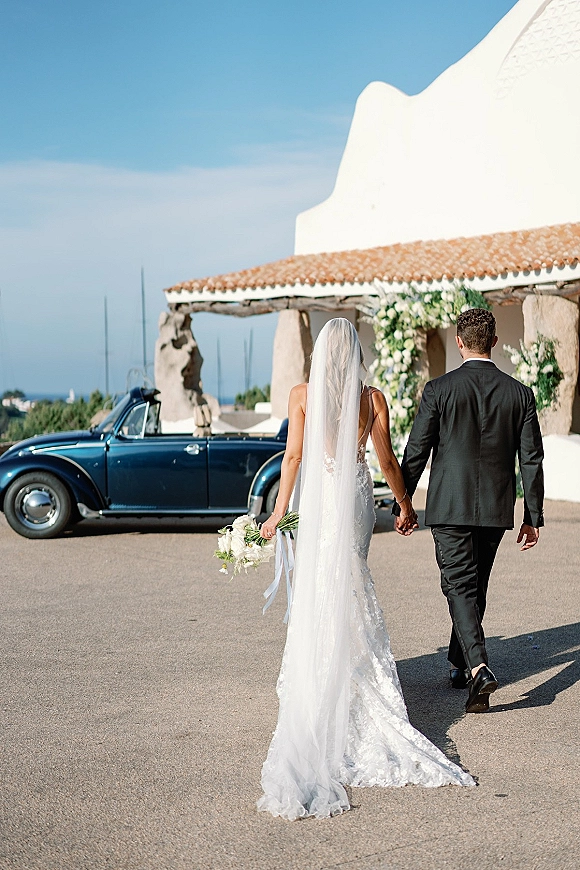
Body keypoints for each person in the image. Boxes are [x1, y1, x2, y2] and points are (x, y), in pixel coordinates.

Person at [257, 318, 474, 822]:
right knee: (352, 580)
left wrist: (276, 512)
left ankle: (320, 674)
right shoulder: (371, 397)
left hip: (319, 499)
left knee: (321, 583)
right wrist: (404, 504)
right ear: (355, 352)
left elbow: (292, 457)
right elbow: (387, 461)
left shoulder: (302, 394)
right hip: (353, 499)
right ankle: (356, 678)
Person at [394, 307, 544, 714]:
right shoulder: (520, 393)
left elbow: (416, 451)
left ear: (459, 342)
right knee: (473, 587)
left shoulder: (438, 389)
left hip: (448, 507)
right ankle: (460, 663)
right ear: (494, 342)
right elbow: (531, 459)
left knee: (460, 586)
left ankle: (479, 667)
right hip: (496, 509)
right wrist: (533, 516)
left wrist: (403, 501)